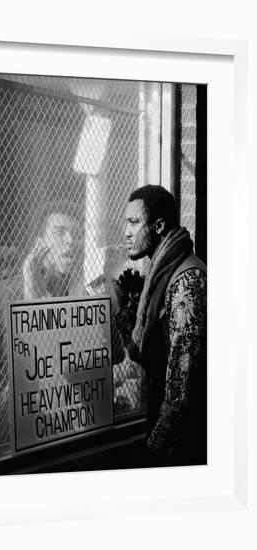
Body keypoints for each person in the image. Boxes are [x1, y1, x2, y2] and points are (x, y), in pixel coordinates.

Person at [113, 185, 207, 466]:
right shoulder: (158, 274)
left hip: (183, 444)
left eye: (134, 222)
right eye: (125, 222)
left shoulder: (186, 281)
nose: (126, 232)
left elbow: (182, 386)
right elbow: (148, 356)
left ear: (159, 226)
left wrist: (152, 454)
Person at [0, 210, 84, 456]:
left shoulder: (74, 289)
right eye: (60, 232)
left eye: (76, 234)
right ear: (39, 240)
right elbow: (0, 363)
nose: (71, 240)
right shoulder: (8, 292)